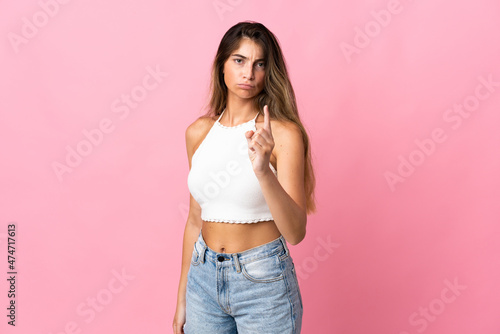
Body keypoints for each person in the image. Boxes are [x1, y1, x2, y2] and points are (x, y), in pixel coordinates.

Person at [173, 20, 316, 334]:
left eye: (259, 64)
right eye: (239, 60)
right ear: (222, 65)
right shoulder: (198, 133)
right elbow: (195, 219)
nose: (248, 73)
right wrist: (182, 296)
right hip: (203, 280)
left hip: (263, 282)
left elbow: (295, 232)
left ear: (268, 72)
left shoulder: (283, 134)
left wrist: (263, 171)